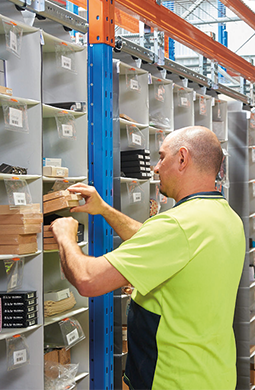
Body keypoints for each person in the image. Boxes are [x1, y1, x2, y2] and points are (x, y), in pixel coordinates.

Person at [51, 126, 246, 390]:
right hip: (214, 374)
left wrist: (65, 235)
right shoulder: (225, 217)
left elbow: (88, 280)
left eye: (162, 156)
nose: (155, 167)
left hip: (173, 380)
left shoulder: (177, 225)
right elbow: (157, 242)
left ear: (182, 159)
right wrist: (105, 210)